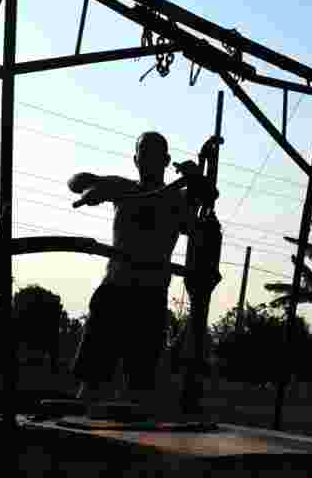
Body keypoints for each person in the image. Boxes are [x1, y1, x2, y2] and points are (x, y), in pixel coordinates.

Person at [67, 131, 212, 411]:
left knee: (140, 388)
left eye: (155, 155)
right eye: (144, 154)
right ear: (135, 159)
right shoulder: (122, 188)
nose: (148, 161)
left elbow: (199, 229)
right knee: (91, 381)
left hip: (151, 297)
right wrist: (90, 188)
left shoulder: (178, 201)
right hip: (114, 292)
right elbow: (75, 182)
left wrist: (197, 183)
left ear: (166, 160)